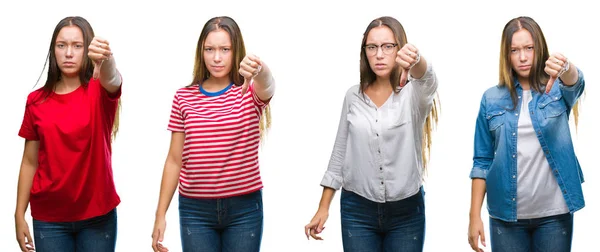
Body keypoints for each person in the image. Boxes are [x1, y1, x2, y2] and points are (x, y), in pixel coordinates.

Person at [304, 16, 440, 252]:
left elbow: (429, 79)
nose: (379, 54)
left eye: (388, 46)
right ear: (364, 52)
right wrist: (323, 207)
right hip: (357, 211)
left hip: (406, 213)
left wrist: (417, 59)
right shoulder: (353, 97)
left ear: (399, 49)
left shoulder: (414, 95)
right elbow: (340, 153)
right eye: (372, 47)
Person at [151, 16, 275, 252]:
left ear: (236, 50)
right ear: (201, 52)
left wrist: (259, 68)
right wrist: (160, 214)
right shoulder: (183, 97)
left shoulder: (249, 92)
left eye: (225, 49)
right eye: (210, 49)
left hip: (244, 210)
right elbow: (174, 160)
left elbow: (268, 85)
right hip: (195, 211)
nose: (216, 57)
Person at [468, 16, 585, 252]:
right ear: (506, 54)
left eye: (529, 48)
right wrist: (474, 216)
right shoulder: (491, 99)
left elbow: (577, 83)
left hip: (554, 215)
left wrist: (566, 68)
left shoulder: (557, 90)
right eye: (514, 50)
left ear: (539, 48)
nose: (522, 57)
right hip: (506, 218)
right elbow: (482, 161)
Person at [14, 16, 123, 252]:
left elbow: (113, 79)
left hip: (97, 215)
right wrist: (19, 214)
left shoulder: (100, 90)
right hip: (49, 219)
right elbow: (29, 162)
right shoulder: (36, 101)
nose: (69, 53)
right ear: (53, 51)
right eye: (61, 45)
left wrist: (106, 57)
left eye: (77, 46)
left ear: (87, 50)